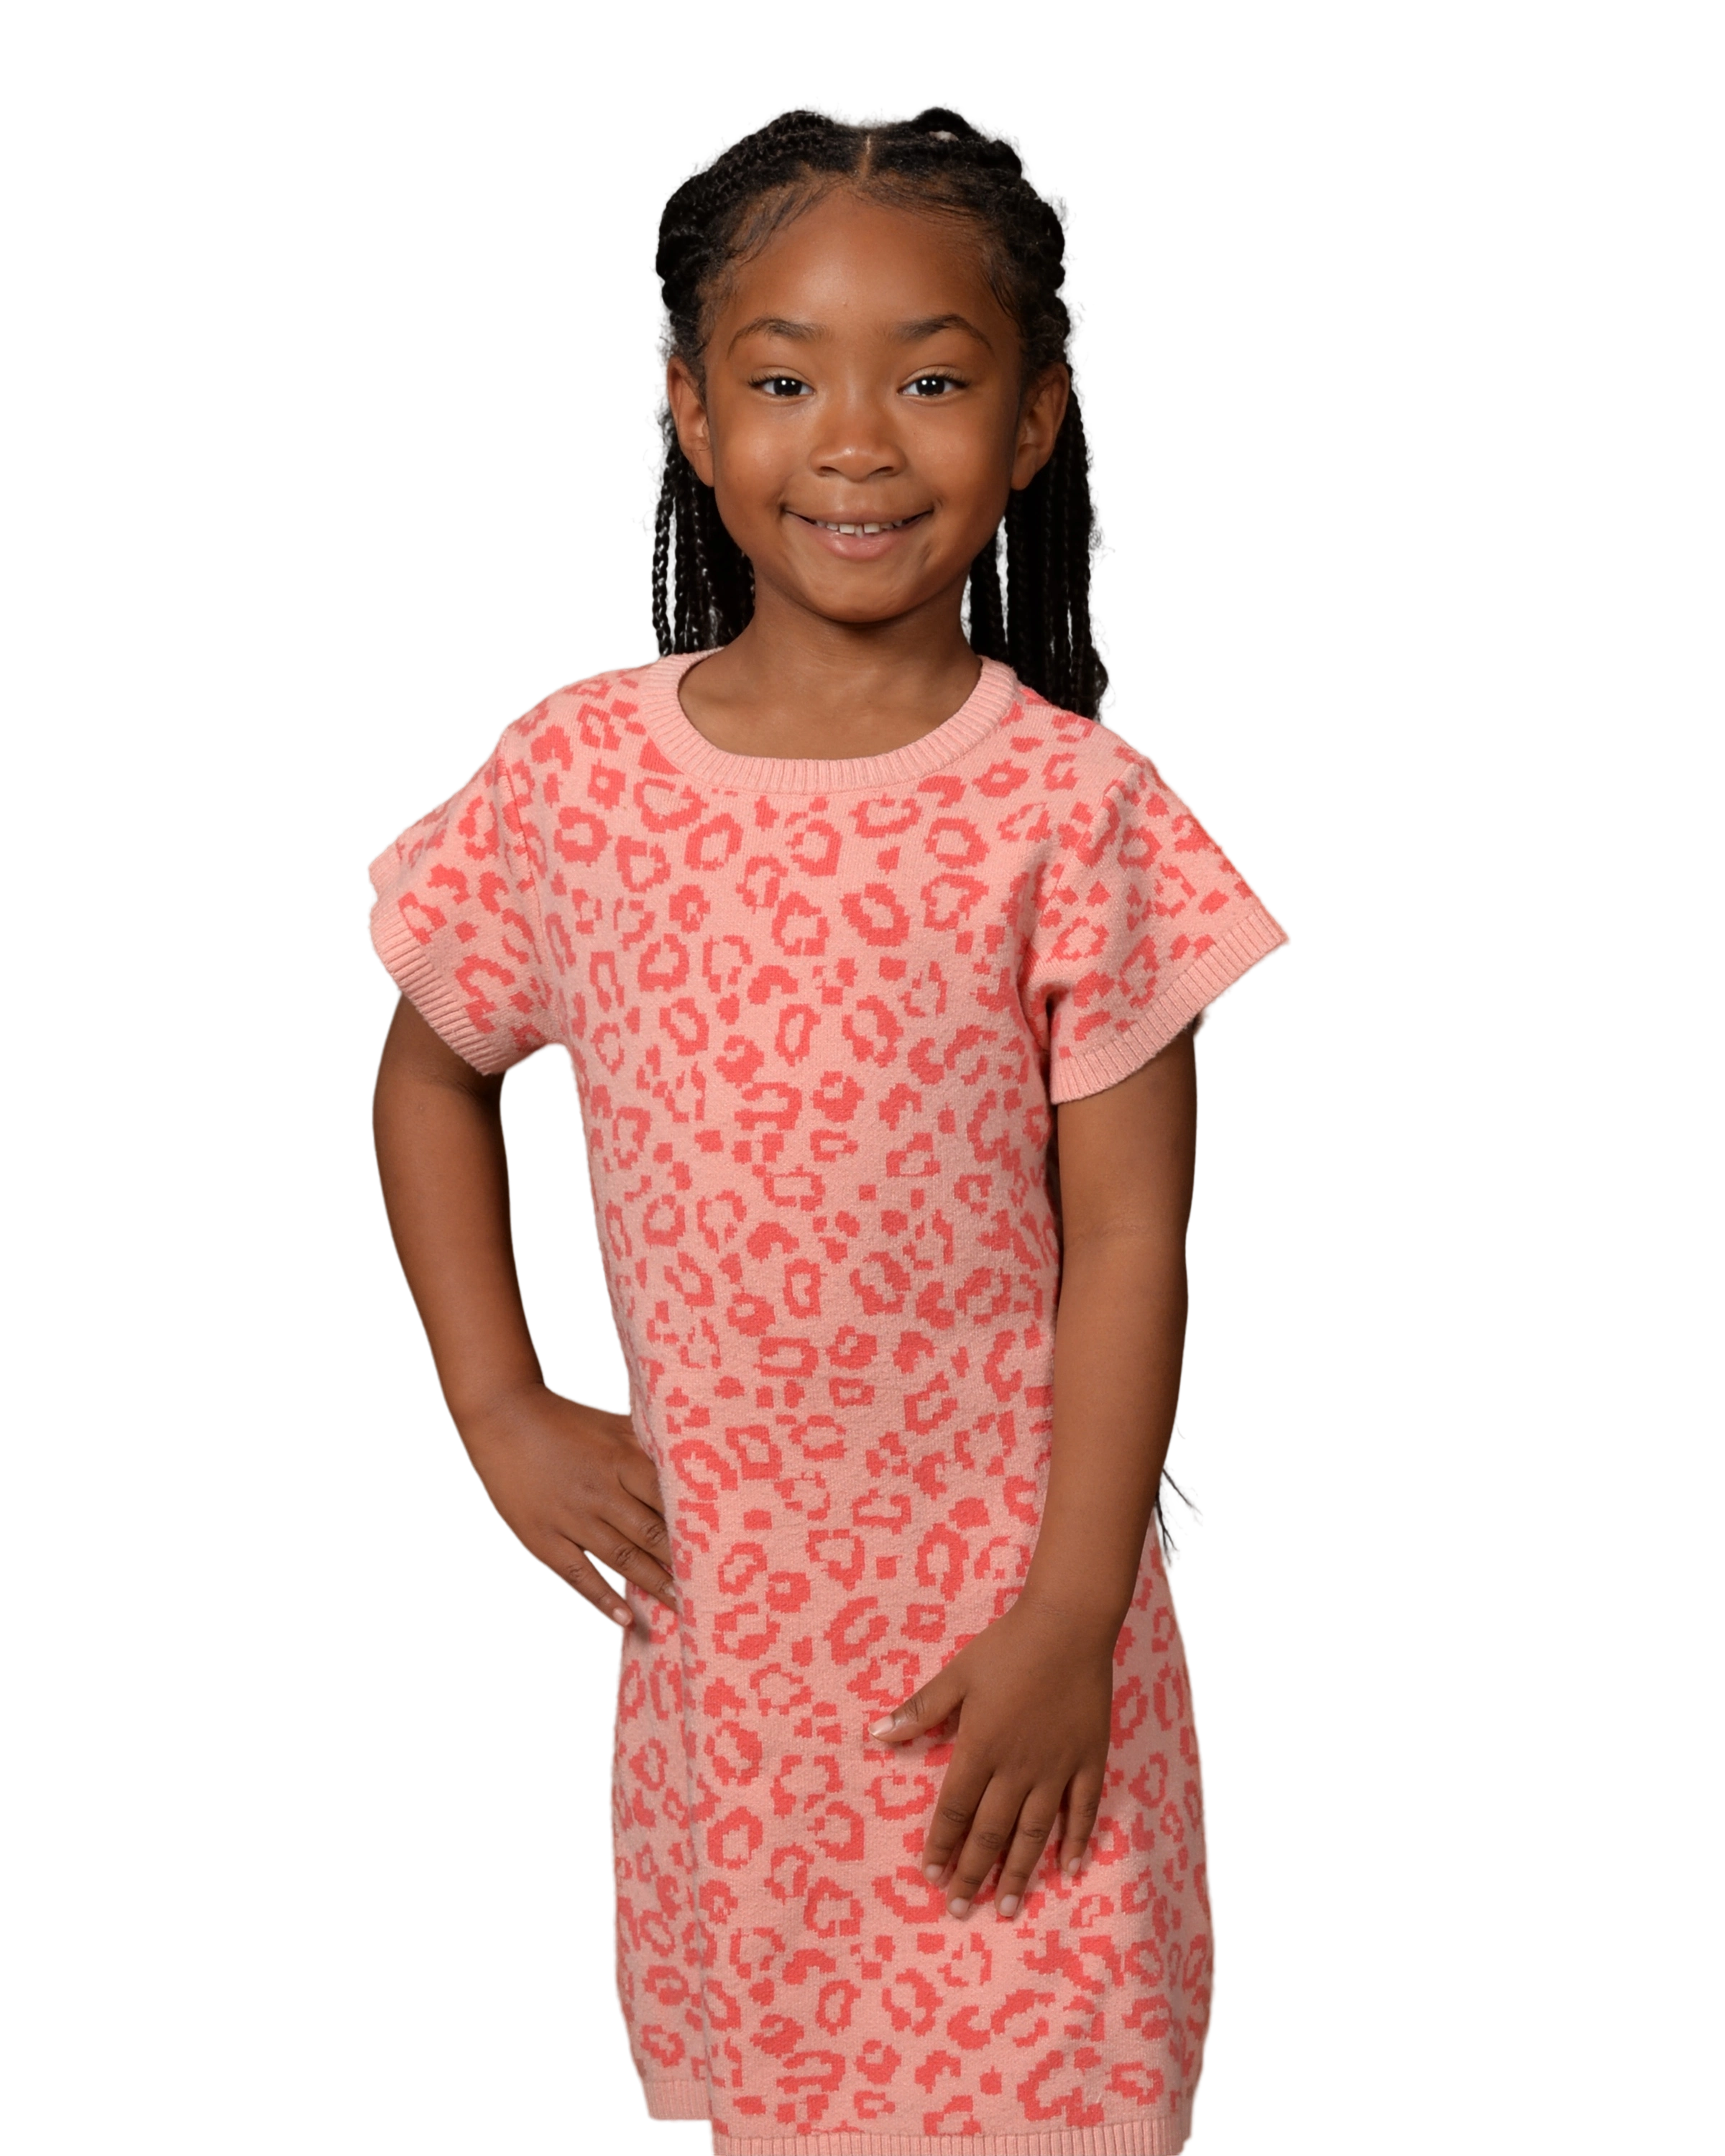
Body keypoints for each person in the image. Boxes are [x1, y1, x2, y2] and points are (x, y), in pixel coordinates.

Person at [364, 94, 1292, 2156]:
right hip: (737, 1657)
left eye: (931, 380)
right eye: (786, 379)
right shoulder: (576, 775)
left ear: (1032, 421)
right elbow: (429, 1070)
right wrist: (502, 1403)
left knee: (1048, 2095)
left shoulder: (1076, 812)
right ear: (694, 415)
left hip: (1014, 1646)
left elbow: (1134, 1244)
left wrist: (1072, 1618)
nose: (855, 440)